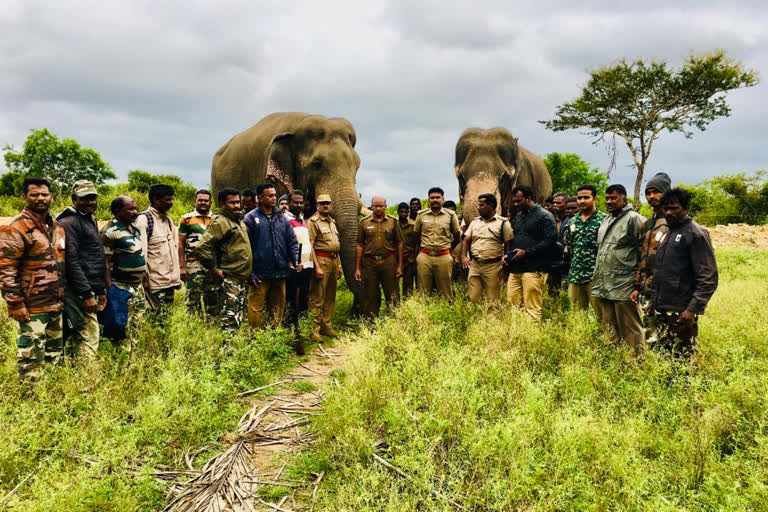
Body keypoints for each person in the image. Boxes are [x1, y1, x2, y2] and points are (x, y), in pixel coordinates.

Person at [0, 177, 66, 382]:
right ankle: (32, 403)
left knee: (54, 357)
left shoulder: (57, 227)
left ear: (51, 197)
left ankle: (54, 399)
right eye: (34, 194)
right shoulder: (15, 228)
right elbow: (6, 268)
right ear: (24, 197)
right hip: (31, 307)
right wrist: (15, 303)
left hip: (55, 304)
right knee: (31, 360)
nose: (40, 198)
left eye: (44, 194)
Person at [648, 188, 718, 357]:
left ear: (685, 208)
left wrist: (692, 309)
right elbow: (662, 271)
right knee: (663, 355)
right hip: (662, 308)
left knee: (682, 359)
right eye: (666, 209)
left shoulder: (695, 234)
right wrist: (653, 301)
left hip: (681, 311)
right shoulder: (667, 232)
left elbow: (708, 277)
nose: (669, 212)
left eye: (674, 208)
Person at [592, 184, 646, 360]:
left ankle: (636, 364)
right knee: (609, 327)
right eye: (607, 198)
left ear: (624, 199)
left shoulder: (634, 219)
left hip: (625, 285)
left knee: (630, 328)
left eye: (613, 198)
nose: (609, 202)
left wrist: (638, 285)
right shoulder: (606, 220)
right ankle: (615, 361)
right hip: (605, 285)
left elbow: (644, 252)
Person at [56, 180, 107, 359]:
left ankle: (74, 378)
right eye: (85, 198)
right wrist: (86, 294)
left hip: (90, 286)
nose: (90, 202)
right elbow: (72, 261)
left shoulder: (89, 219)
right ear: (74, 199)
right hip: (77, 290)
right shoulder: (68, 222)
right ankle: (87, 381)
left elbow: (95, 257)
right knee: (88, 336)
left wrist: (100, 290)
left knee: (76, 335)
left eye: (93, 198)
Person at [196, 188, 253, 333]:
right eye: (232, 203)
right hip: (229, 277)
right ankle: (228, 352)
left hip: (241, 277)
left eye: (237, 202)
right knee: (229, 318)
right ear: (222, 204)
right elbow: (202, 247)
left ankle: (234, 350)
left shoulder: (236, 220)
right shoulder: (220, 222)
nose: (236, 206)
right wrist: (215, 270)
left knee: (238, 316)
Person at [244, 183, 299, 329]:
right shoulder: (250, 219)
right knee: (256, 308)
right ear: (260, 198)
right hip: (259, 274)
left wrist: (295, 260)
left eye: (274, 195)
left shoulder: (282, 218)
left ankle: (273, 338)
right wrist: (251, 273)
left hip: (280, 271)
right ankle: (255, 340)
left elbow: (292, 241)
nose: (274, 198)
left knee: (277, 309)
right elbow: (245, 248)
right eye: (270, 195)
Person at [504, 185, 557, 319]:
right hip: (515, 268)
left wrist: (527, 252)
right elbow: (515, 240)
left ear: (528, 198)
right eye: (514, 201)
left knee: (532, 308)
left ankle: (532, 339)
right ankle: (517, 336)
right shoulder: (518, 216)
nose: (515, 204)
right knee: (513, 305)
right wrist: (508, 255)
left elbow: (551, 241)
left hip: (534, 268)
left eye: (519, 201)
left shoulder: (545, 216)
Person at [630, 172, 672, 342]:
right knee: (650, 335)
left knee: (671, 337)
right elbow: (641, 258)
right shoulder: (647, 224)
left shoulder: (673, 222)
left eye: (656, 192)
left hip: (668, 292)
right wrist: (637, 286)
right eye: (648, 193)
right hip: (647, 290)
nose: (651, 196)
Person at [101, 195, 146, 349]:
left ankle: (135, 355)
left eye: (136, 208)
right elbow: (104, 262)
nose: (135, 212)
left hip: (137, 287)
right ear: (117, 211)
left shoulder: (134, 229)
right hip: (120, 287)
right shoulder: (110, 232)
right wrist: (110, 289)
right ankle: (121, 357)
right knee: (120, 325)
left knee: (137, 322)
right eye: (131, 209)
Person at [135, 184, 181, 315]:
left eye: (172, 199)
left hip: (169, 282)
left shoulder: (169, 220)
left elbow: (173, 250)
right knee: (155, 319)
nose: (171, 203)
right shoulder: (144, 219)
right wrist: (144, 280)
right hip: (154, 284)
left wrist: (176, 278)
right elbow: (141, 253)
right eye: (167, 199)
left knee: (166, 318)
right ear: (156, 200)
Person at [355, 196, 403, 318]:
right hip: (370, 263)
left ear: (385, 207)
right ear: (371, 207)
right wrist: (357, 268)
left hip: (388, 262)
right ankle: (370, 323)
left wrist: (400, 266)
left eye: (381, 206)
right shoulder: (364, 222)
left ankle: (394, 321)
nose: (378, 208)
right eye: (375, 206)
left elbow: (399, 244)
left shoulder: (393, 222)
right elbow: (359, 245)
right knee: (370, 295)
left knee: (392, 294)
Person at [460, 193, 513, 304]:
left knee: (493, 299)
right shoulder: (475, 222)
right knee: (474, 298)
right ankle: (477, 319)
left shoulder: (503, 223)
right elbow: (466, 240)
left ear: (491, 206)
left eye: (481, 205)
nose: (478, 208)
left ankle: (492, 321)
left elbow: (508, 243)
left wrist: (505, 264)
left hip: (493, 266)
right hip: (475, 265)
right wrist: (464, 256)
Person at [563, 185, 606, 318]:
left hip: (596, 277)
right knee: (577, 317)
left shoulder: (604, 220)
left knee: (601, 317)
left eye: (586, 197)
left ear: (595, 199)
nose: (582, 201)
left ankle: (603, 339)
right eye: (579, 198)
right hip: (576, 276)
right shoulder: (572, 221)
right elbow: (569, 247)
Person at [414, 187, 461, 299]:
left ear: (443, 199)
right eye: (432, 198)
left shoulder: (451, 215)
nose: (435, 200)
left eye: (438, 197)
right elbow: (416, 236)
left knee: (446, 291)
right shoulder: (421, 215)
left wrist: (448, 249)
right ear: (428, 199)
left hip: (444, 256)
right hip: (425, 256)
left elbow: (457, 237)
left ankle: (446, 312)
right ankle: (422, 315)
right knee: (423, 291)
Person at [308, 194, 343, 342]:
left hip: (334, 260)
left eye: (328, 203)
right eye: (322, 204)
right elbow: (310, 246)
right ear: (317, 206)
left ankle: (326, 326)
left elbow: (336, 245)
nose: (325, 206)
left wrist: (339, 265)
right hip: (321, 260)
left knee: (330, 296)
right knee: (318, 297)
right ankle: (314, 329)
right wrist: (316, 267)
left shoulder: (332, 222)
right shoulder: (313, 222)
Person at [284, 190, 313, 354]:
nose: (299, 205)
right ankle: (291, 334)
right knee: (291, 301)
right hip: (294, 267)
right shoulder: (285, 219)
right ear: (289, 203)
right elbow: (285, 243)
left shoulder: (301, 219)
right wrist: (292, 262)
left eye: (301, 202)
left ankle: (300, 331)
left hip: (306, 266)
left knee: (302, 300)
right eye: (296, 202)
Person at [178, 189, 216, 316]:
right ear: (195, 202)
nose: (203, 203)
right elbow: (181, 244)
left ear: (211, 203)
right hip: (193, 264)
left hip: (212, 264)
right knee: (193, 298)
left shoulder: (216, 219)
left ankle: (212, 326)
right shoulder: (186, 219)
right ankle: (194, 325)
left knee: (212, 296)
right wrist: (182, 267)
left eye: (206, 200)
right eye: (200, 200)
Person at [547, 191, 571, 296]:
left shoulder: (571, 220)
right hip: (553, 260)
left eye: (559, 203)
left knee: (566, 291)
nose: (555, 205)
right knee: (553, 290)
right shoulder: (549, 219)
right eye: (554, 203)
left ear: (566, 204)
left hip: (567, 261)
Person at [397, 202, 418, 298]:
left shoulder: (413, 226)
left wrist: (413, 256)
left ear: (408, 212)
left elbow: (415, 243)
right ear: (398, 212)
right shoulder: (394, 225)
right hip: (396, 258)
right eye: (401, 212)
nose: (404, 214)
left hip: (409, 259)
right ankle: (395, 302)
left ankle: (407, 302)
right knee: (394, 283)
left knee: (408, 284)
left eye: (406, 212)